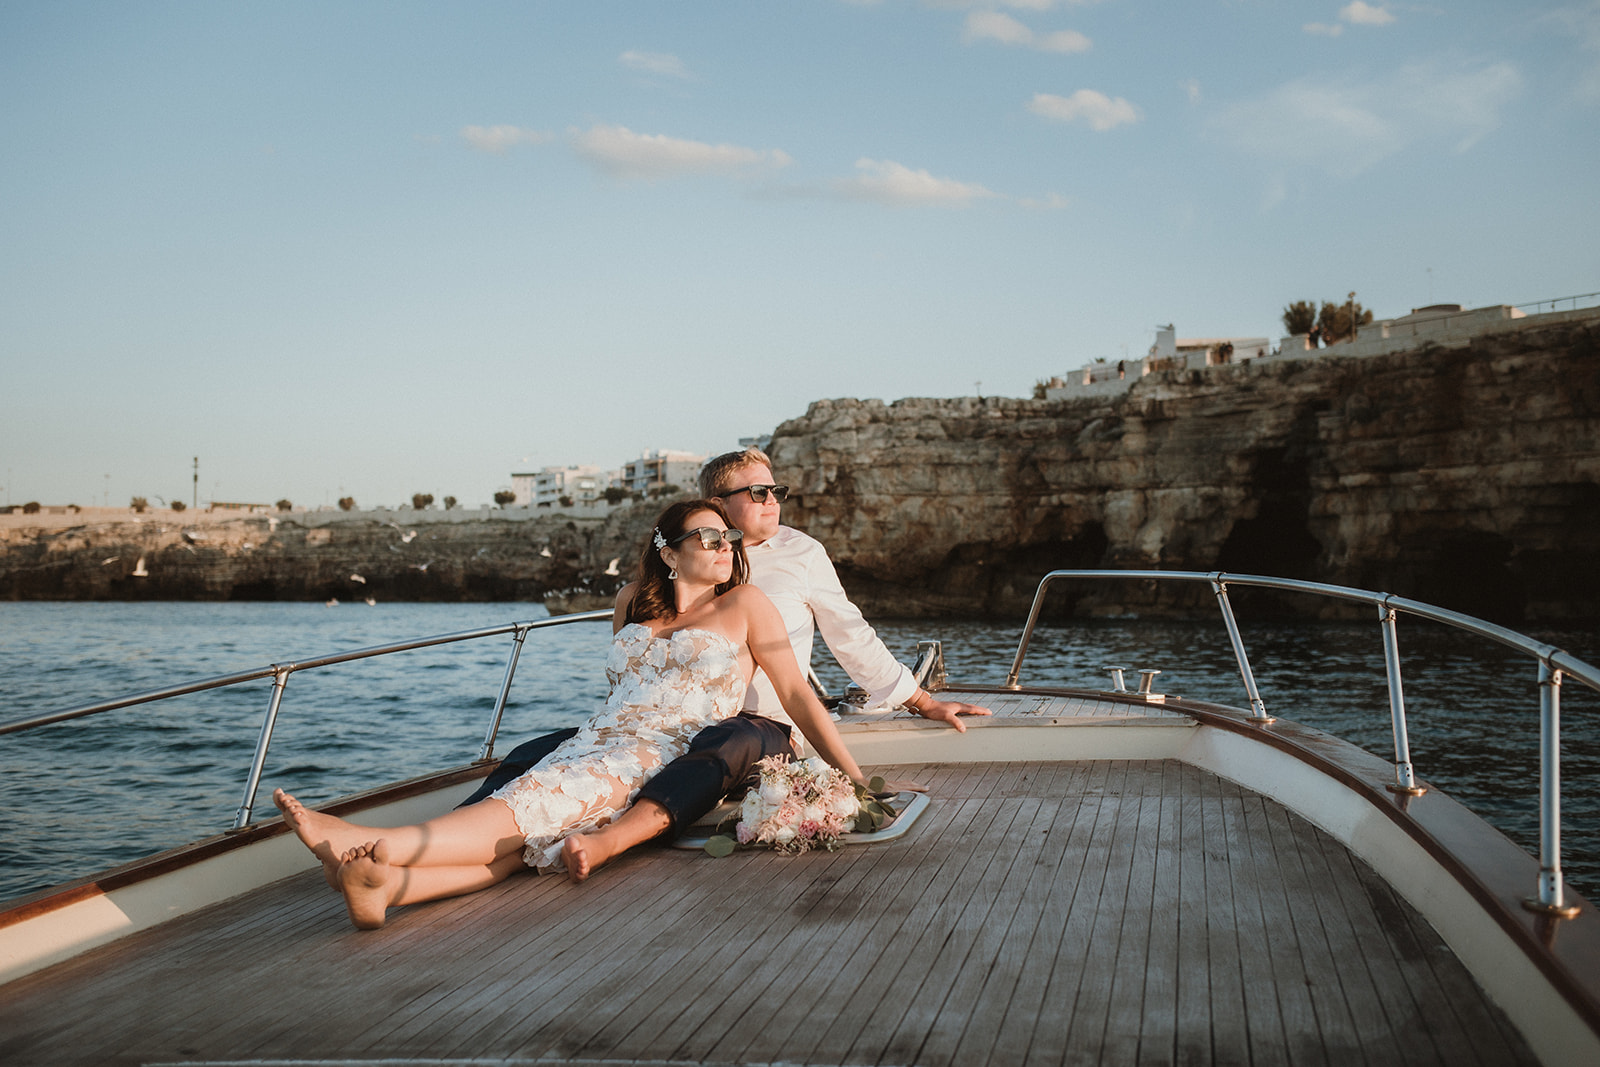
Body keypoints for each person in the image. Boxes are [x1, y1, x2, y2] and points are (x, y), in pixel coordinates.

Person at [274, 498, 873, 929]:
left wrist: (855, 776)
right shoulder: (628, 604)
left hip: (664, 747)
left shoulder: (745, 604)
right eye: (709, 538)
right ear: (669, 553)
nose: (726, 547)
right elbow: (620, 691)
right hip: (600, 735)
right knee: (524, 838)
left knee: (528, 809)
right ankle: (388, 888)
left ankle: (372, 841)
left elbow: (795, 693)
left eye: (728, 538)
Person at [464, 447, 990, 879]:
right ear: (716, 505)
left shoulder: (802, 554)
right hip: (661, 727)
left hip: (757, 725)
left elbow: (849, 635)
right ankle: (469, 825)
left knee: (725, 741)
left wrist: (920, 700)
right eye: (756, 492)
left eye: (775, 491)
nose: (771, 501)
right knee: (537, 747)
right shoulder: (694, 561)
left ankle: (611, 839)